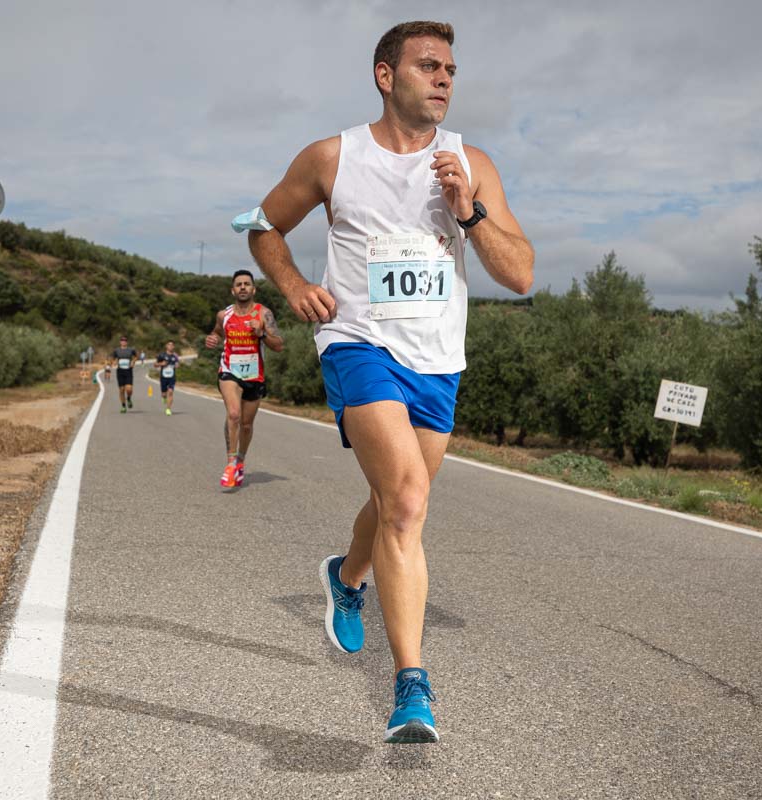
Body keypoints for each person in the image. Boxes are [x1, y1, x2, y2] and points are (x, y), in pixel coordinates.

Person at [240, 21, 533, 743]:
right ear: (384, 75)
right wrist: (294, 283)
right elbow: (260, 224)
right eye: (428, 65)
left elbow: (520, 273)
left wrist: (471, 211)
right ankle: (412, 685)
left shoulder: (472, 163)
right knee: (405, 498)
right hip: (358, 342)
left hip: (437, 359)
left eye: (451, 69)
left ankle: (347, 575)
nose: (444, 78)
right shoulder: (332, 157)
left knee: (402, 498)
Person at [204, 270, 285, 488]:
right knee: (233, 414)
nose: (242, 287)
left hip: (254, 374)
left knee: (247, 425)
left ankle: (240, 460)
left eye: (246, 284)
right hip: (229, 370)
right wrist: (212, 339)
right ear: (232, 290)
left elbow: (278, 345)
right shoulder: (224, 315)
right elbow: (217, 333)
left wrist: (261, 334)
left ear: (253, 289)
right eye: (238, 284)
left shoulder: (263, 314)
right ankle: (230, 463)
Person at [109, 335, 140, 413]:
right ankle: (123, 406)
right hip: (120, 371)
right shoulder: (116, 350)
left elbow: (136, 356)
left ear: (127, 342)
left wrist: (133, 362)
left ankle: (129, 398)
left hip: (128, 371)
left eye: (125, 340)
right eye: (122, 340)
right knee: (121, 390)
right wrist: (114, 362)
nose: (123, 342)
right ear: (120, 342)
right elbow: (112, 358)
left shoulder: (131, 350)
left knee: (129, 389)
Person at [154, 340, 180, 416]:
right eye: (169, 345)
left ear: (174, 347)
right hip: (163, 377)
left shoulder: (175, 356)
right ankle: (164, 397)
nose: (170, 346)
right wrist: (161, 363)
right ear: (166, 346)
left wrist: (177, 365)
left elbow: (177, 363)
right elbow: (155, 364)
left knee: (171, 392)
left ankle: (168, 409)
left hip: (172, 377)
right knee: (164, 393)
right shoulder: (161, 355)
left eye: (172, 345)